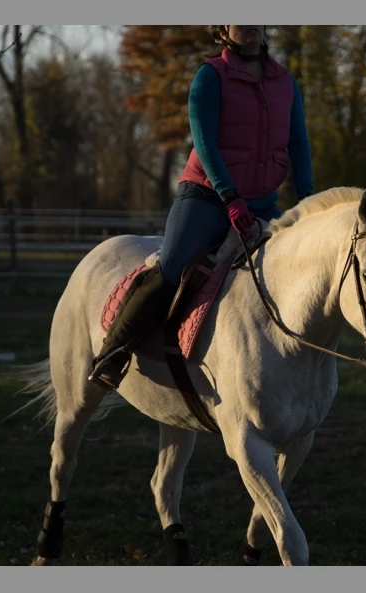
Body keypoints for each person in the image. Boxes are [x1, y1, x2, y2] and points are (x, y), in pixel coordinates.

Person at [88, 25, 315, 391]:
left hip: (263, 203)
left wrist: (308, 202)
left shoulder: (286, 82)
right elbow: (204, 142)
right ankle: (113, 353)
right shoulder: (210, 76)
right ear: (223, 28)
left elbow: (299, 144)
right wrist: (229, 196)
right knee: (172, 267)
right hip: (207, 197)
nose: (252, 23)